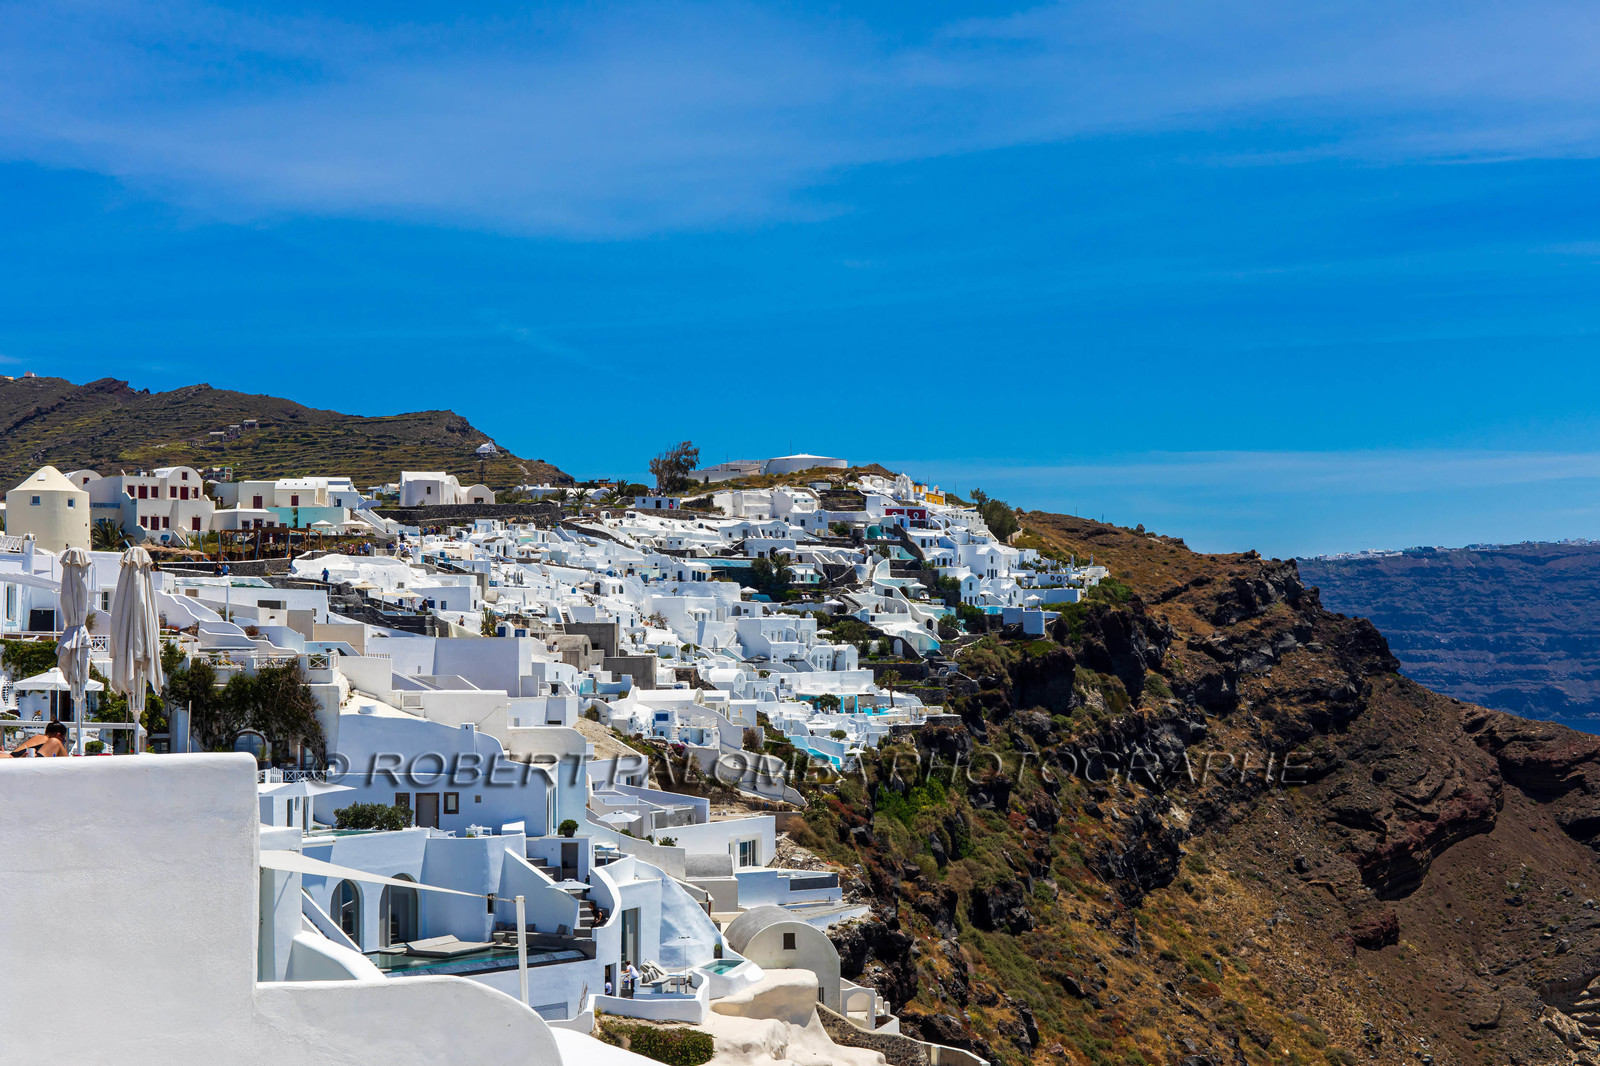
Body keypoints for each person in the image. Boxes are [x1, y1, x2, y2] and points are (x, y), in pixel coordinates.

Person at [5, 721, 70, 758]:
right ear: (58, 735)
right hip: (30, 761)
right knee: (55, 742)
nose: (62, 742)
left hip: (13, 757)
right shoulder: (53, 741)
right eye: (63, 740)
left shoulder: (37, 737)